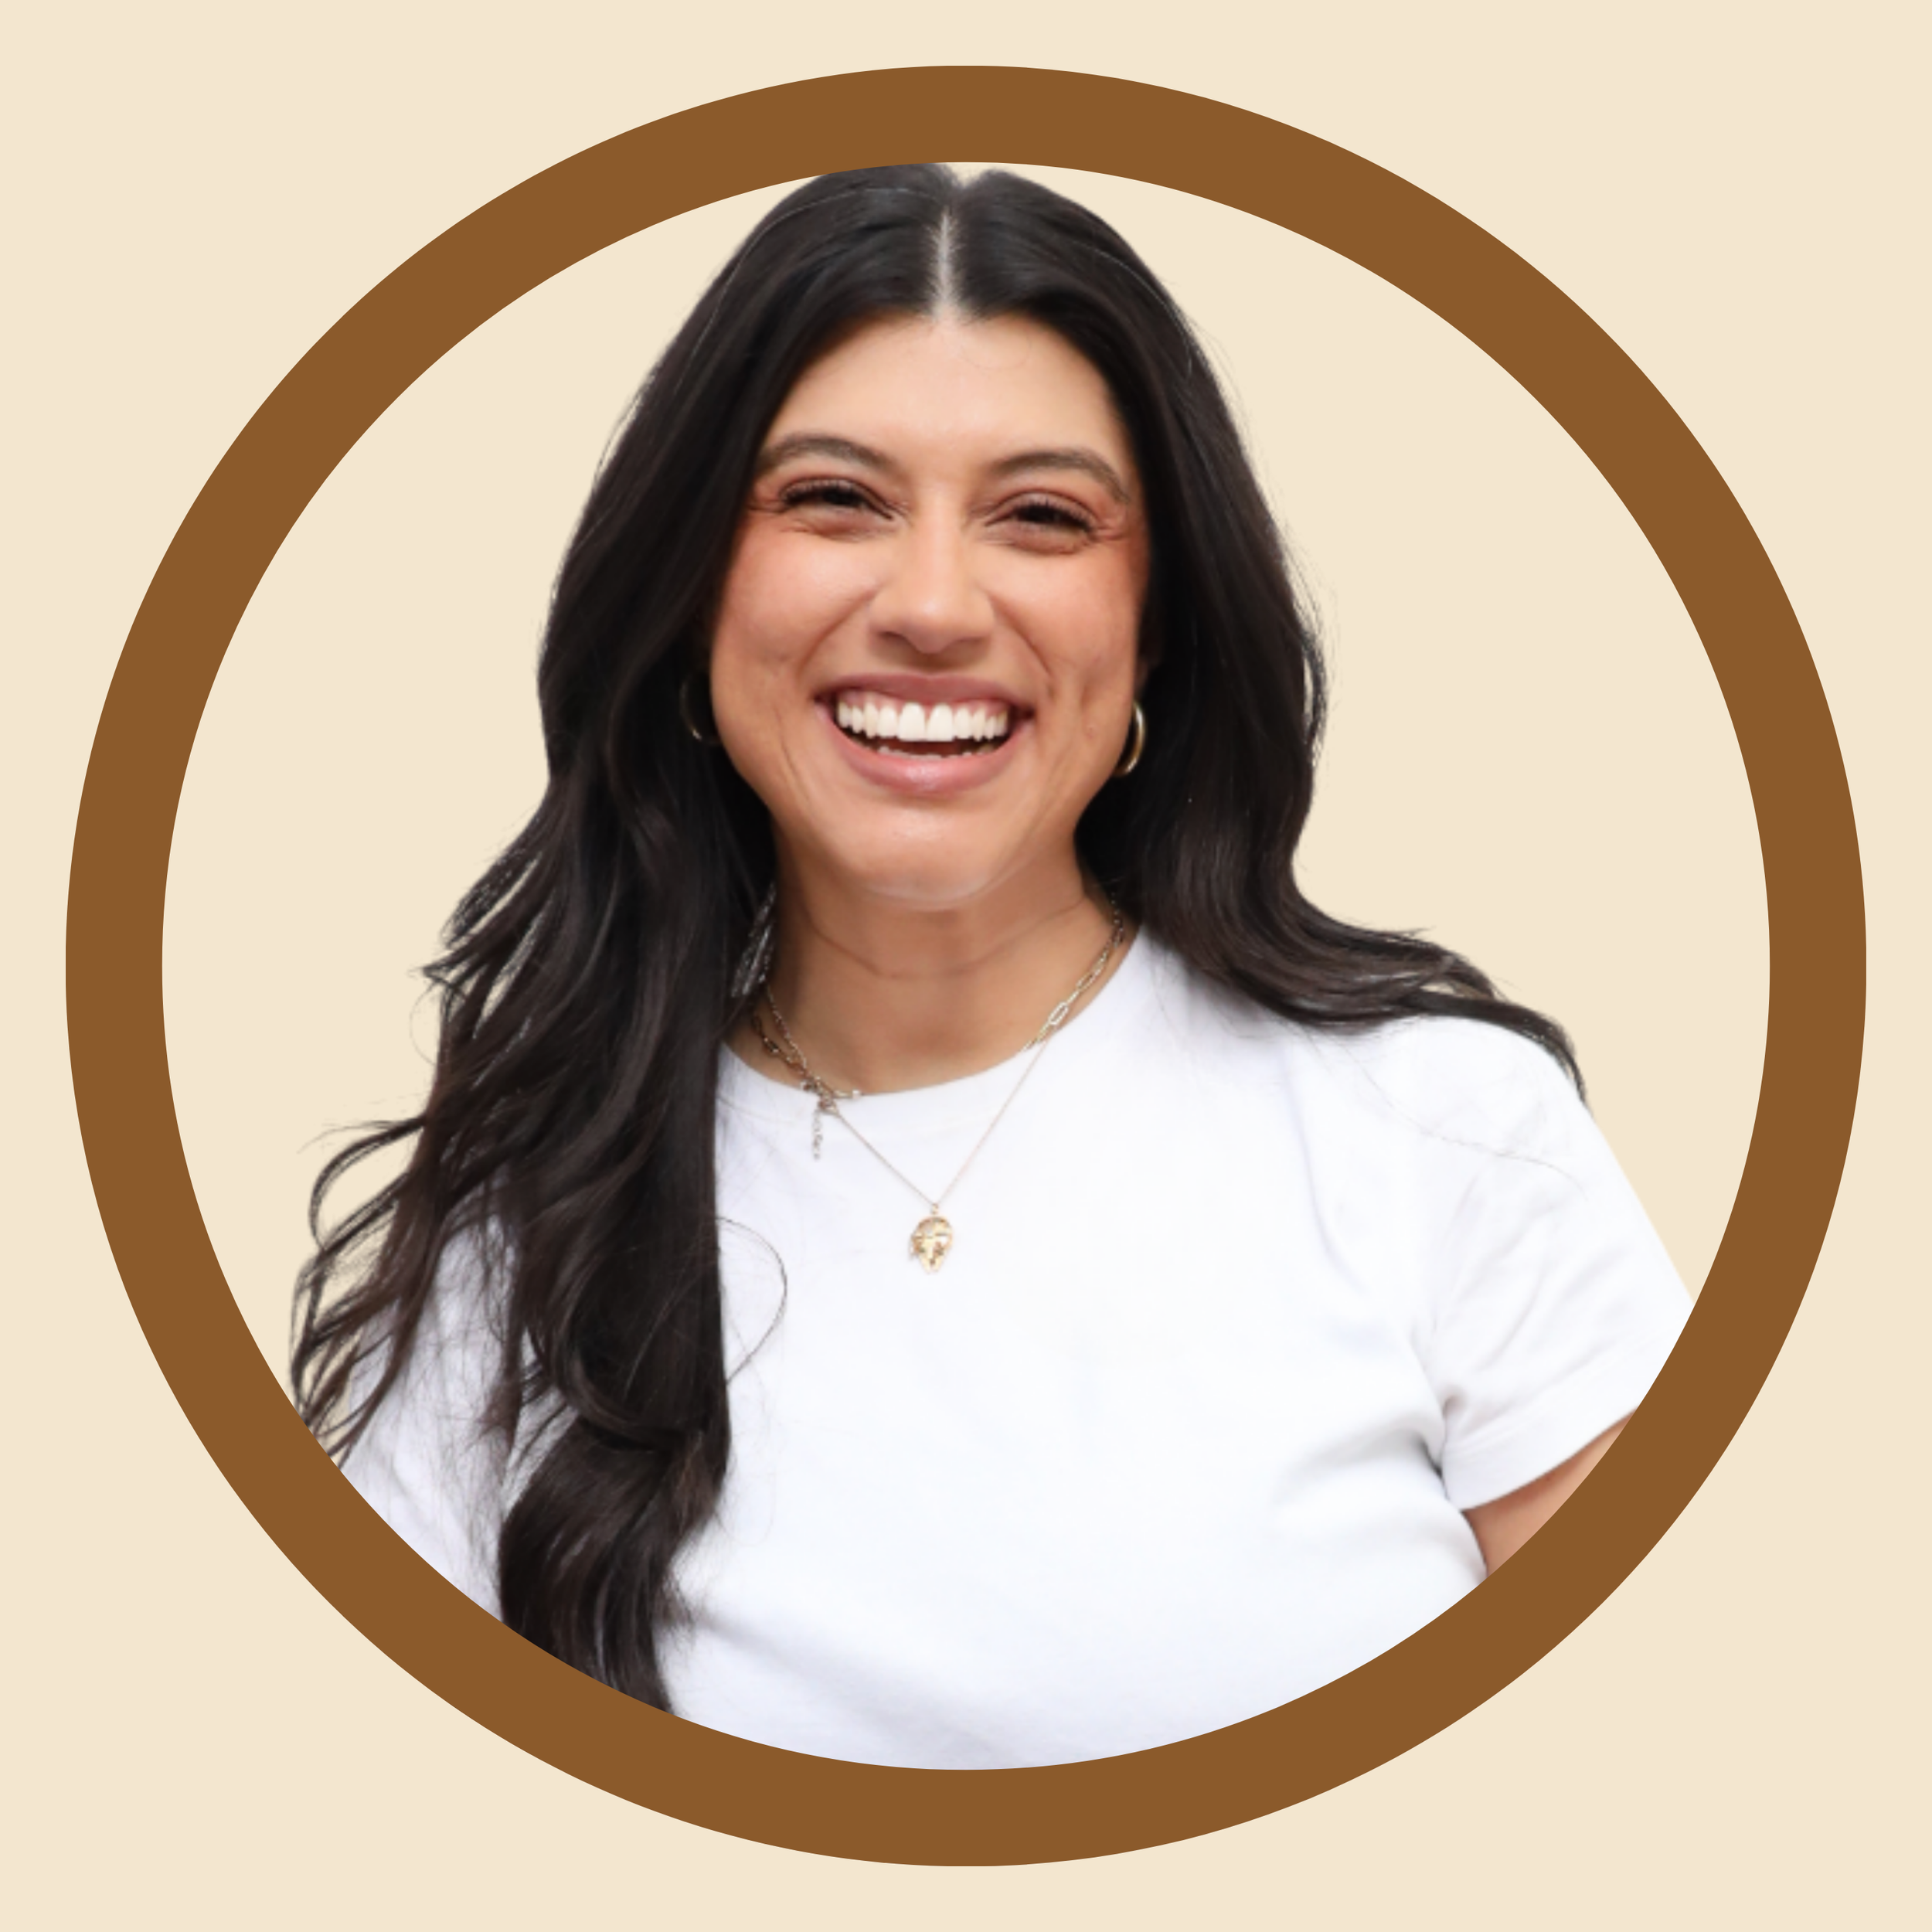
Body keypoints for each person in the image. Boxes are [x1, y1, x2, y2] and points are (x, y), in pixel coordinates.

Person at [294, 165, 1689, 1770]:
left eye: (1041, 515)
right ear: (689, 593)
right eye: (832, 498)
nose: (935, 605)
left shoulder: (1444, 1133)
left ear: (1151, 620)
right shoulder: (512, 1246)